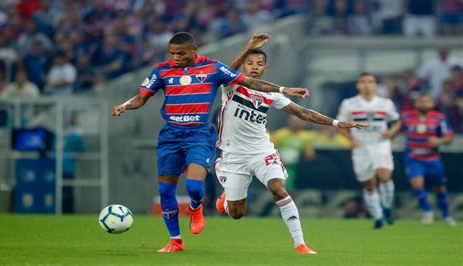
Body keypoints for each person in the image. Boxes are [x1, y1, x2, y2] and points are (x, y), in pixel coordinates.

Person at [110, 32, 308, 253]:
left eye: (181, 53)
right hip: (170, 136)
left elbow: (247, 80)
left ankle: (196, 207)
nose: (175, 58)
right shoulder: (162, 71)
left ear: (194, 50)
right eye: (172, 53)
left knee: (194, 187)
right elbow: (141, 97)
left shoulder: (212, 68)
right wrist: (124, 106)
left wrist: (282, 90)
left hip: (199, 134)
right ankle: (175, 240)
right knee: (166, 191)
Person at [214, 33, 366, 254]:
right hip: (233, 154)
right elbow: (227, 71)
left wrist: (336, 123)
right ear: (243, 66)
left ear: (265, 69)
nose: (254, 67)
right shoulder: (231, 87)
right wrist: (248, 48)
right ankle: (228, 195)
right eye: (250, 63)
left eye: (259, 64)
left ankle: (300, 244)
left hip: (261, 151)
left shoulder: (272, 95)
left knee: (278, 189)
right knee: (236, 214)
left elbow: (302, 112)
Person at [337, 72, 401, 229]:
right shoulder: (349, 103)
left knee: (384, 176)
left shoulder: (386, 103)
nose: (367, 84)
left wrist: (391, 133)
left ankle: (386, 206)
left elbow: (397, 121)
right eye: (363, 81)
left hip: (380, 145)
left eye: (370, 81)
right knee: (370, 185)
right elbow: (340, 124)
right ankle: (378, 216)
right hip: (361, 147)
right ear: (358, 85)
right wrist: (351, 139)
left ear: (375, 85)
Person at [396, 95, 456, 227]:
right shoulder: (406, 117)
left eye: (427, 101)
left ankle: (446, 215)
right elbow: (395, 129)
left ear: (432, 104)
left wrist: (438, 141)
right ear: (416, 103)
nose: (424, 104)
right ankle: (428, 211)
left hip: (432, 159)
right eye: (421, 101)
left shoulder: (439, 118)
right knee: (417, 183)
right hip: (413, 157)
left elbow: (449, 138)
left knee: (439, 188)